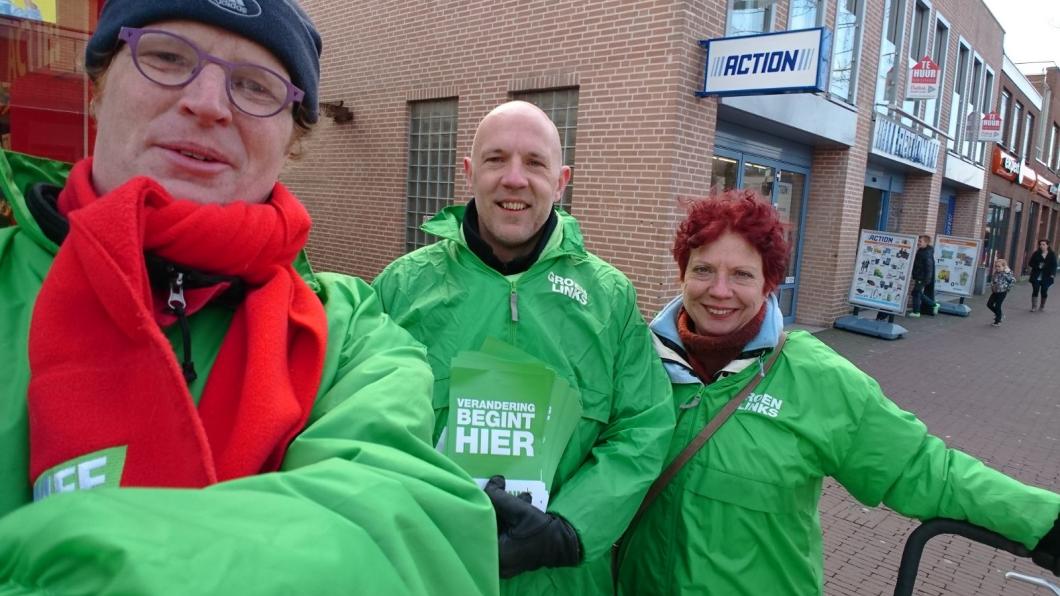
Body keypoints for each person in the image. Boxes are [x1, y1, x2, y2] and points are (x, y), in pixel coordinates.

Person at [0, 1, 497, 594]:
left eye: (255, 87)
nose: (207, 103)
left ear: (292, 142)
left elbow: (406, 529)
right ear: (98, 89)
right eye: (166, 56)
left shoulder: (350, 335)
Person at [614, 190, 1060, 595]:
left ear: (769, 284)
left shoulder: (815, 376)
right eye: (704, 270)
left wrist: (1043, 520)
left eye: (742, 274)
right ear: (682, 274)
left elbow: (918, 466)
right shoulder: (636, 361)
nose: (720, 291)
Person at [372, 100, 674, 594]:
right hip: (429, 571)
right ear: (469, 173)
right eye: (496, 160)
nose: (514, 179)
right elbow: (361, 424)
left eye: (535, 163)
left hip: (563, 581)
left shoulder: (609, 297)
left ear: (561, 180)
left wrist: (569, 530)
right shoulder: (401, 288)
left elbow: (643, 426)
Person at [907, 233, 939, 318]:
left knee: (916, 293)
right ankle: (932, 305)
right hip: (919, 276)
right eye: (918, 241)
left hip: (922, 277)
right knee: (916, 293)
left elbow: (929, 268)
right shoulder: (921, 251)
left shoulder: (926, 254)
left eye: (920, 241)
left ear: (926, 243)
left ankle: (918, 311)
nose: (918, 242)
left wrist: (926, 279)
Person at [1028, 239, 1057, 312]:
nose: (1041, 246)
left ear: (1047, 245)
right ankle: (1034, 307)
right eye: (1040, 244)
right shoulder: (1036, 253)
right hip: (1036, 275)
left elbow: (1054, 265)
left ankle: (1042, 306)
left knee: (1044, 290)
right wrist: (1038, 266)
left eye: (1043, 244)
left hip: (1047, 276)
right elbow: (1030, 263)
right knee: (1035, 289)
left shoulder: (1051, 254)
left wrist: (1053, 274)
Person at [987, 258, 1016, 327]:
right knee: (989, 304)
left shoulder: (1006, 274)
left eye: (999, 266)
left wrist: (1007, 288)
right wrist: (992, 286)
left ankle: (998, 321)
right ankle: (1000, 315)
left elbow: (1013, 281)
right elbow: (993, 281)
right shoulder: (996, 273)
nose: (997, 268)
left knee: (997, 306)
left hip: (1002, 292)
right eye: (996, 266)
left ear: (1004, 266)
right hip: (995, 292)